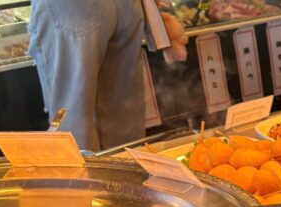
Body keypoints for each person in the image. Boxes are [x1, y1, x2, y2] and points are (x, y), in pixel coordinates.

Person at [28, 0, 187, 151]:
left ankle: (83, 171)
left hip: (72, 9)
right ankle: (126, 168)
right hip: (127, 7)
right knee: (123, 116)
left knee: (74, 116)